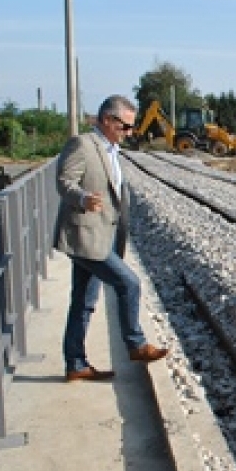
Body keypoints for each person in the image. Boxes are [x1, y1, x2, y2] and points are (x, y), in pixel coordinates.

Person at [53, 94, 168, 382]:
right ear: (107, 119)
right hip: (85, 235)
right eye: (125, 126)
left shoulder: (112, 150)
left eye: (131, 127)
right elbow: (64, 181)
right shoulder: (83, 144)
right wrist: (82, 198)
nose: (129, 132)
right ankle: (136, 344)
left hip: (102, 234)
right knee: (129, 283)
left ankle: (76, 364)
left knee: (83, 301)